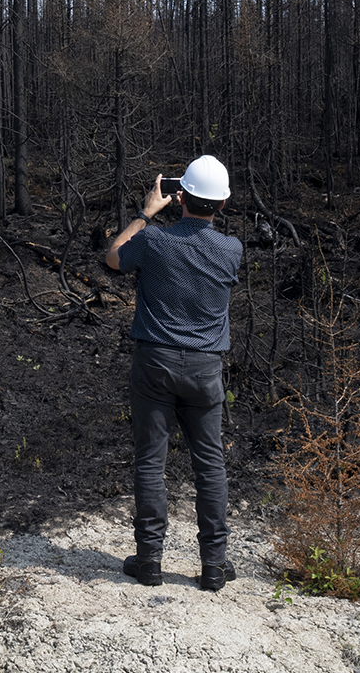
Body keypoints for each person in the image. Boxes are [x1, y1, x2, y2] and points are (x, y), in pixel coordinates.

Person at [102, 154, 243, 591]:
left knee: (150, 462)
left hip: (156, 362)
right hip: (205, 369)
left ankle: (149, 562)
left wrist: (146, 213)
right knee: (210, 466)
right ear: (221, 205)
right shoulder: (232, 249)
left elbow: (112, 258)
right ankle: (214, 566)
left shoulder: (156, 241)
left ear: (181, 196)